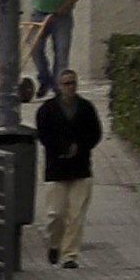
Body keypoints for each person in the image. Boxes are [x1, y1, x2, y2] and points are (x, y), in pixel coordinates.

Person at [33, 72, 105, 267]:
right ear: (59, 86)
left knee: (76, 215)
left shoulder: (86, 108)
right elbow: (43, 135)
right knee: (55, 214)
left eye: (72, 83)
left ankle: (70, 255)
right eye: (65, 83)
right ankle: (54, 243)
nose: (70, 87)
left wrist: (80, 147)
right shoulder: (47, 109)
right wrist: (63, 147)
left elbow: (96, 133)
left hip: (81, 168)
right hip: (56, 169)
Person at [22, 0, 81, 86]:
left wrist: (67, 6)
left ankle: (59, 87)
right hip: (40, 13)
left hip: (62, 16)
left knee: (61, 51)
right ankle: (44, 77)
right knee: (35, 48)